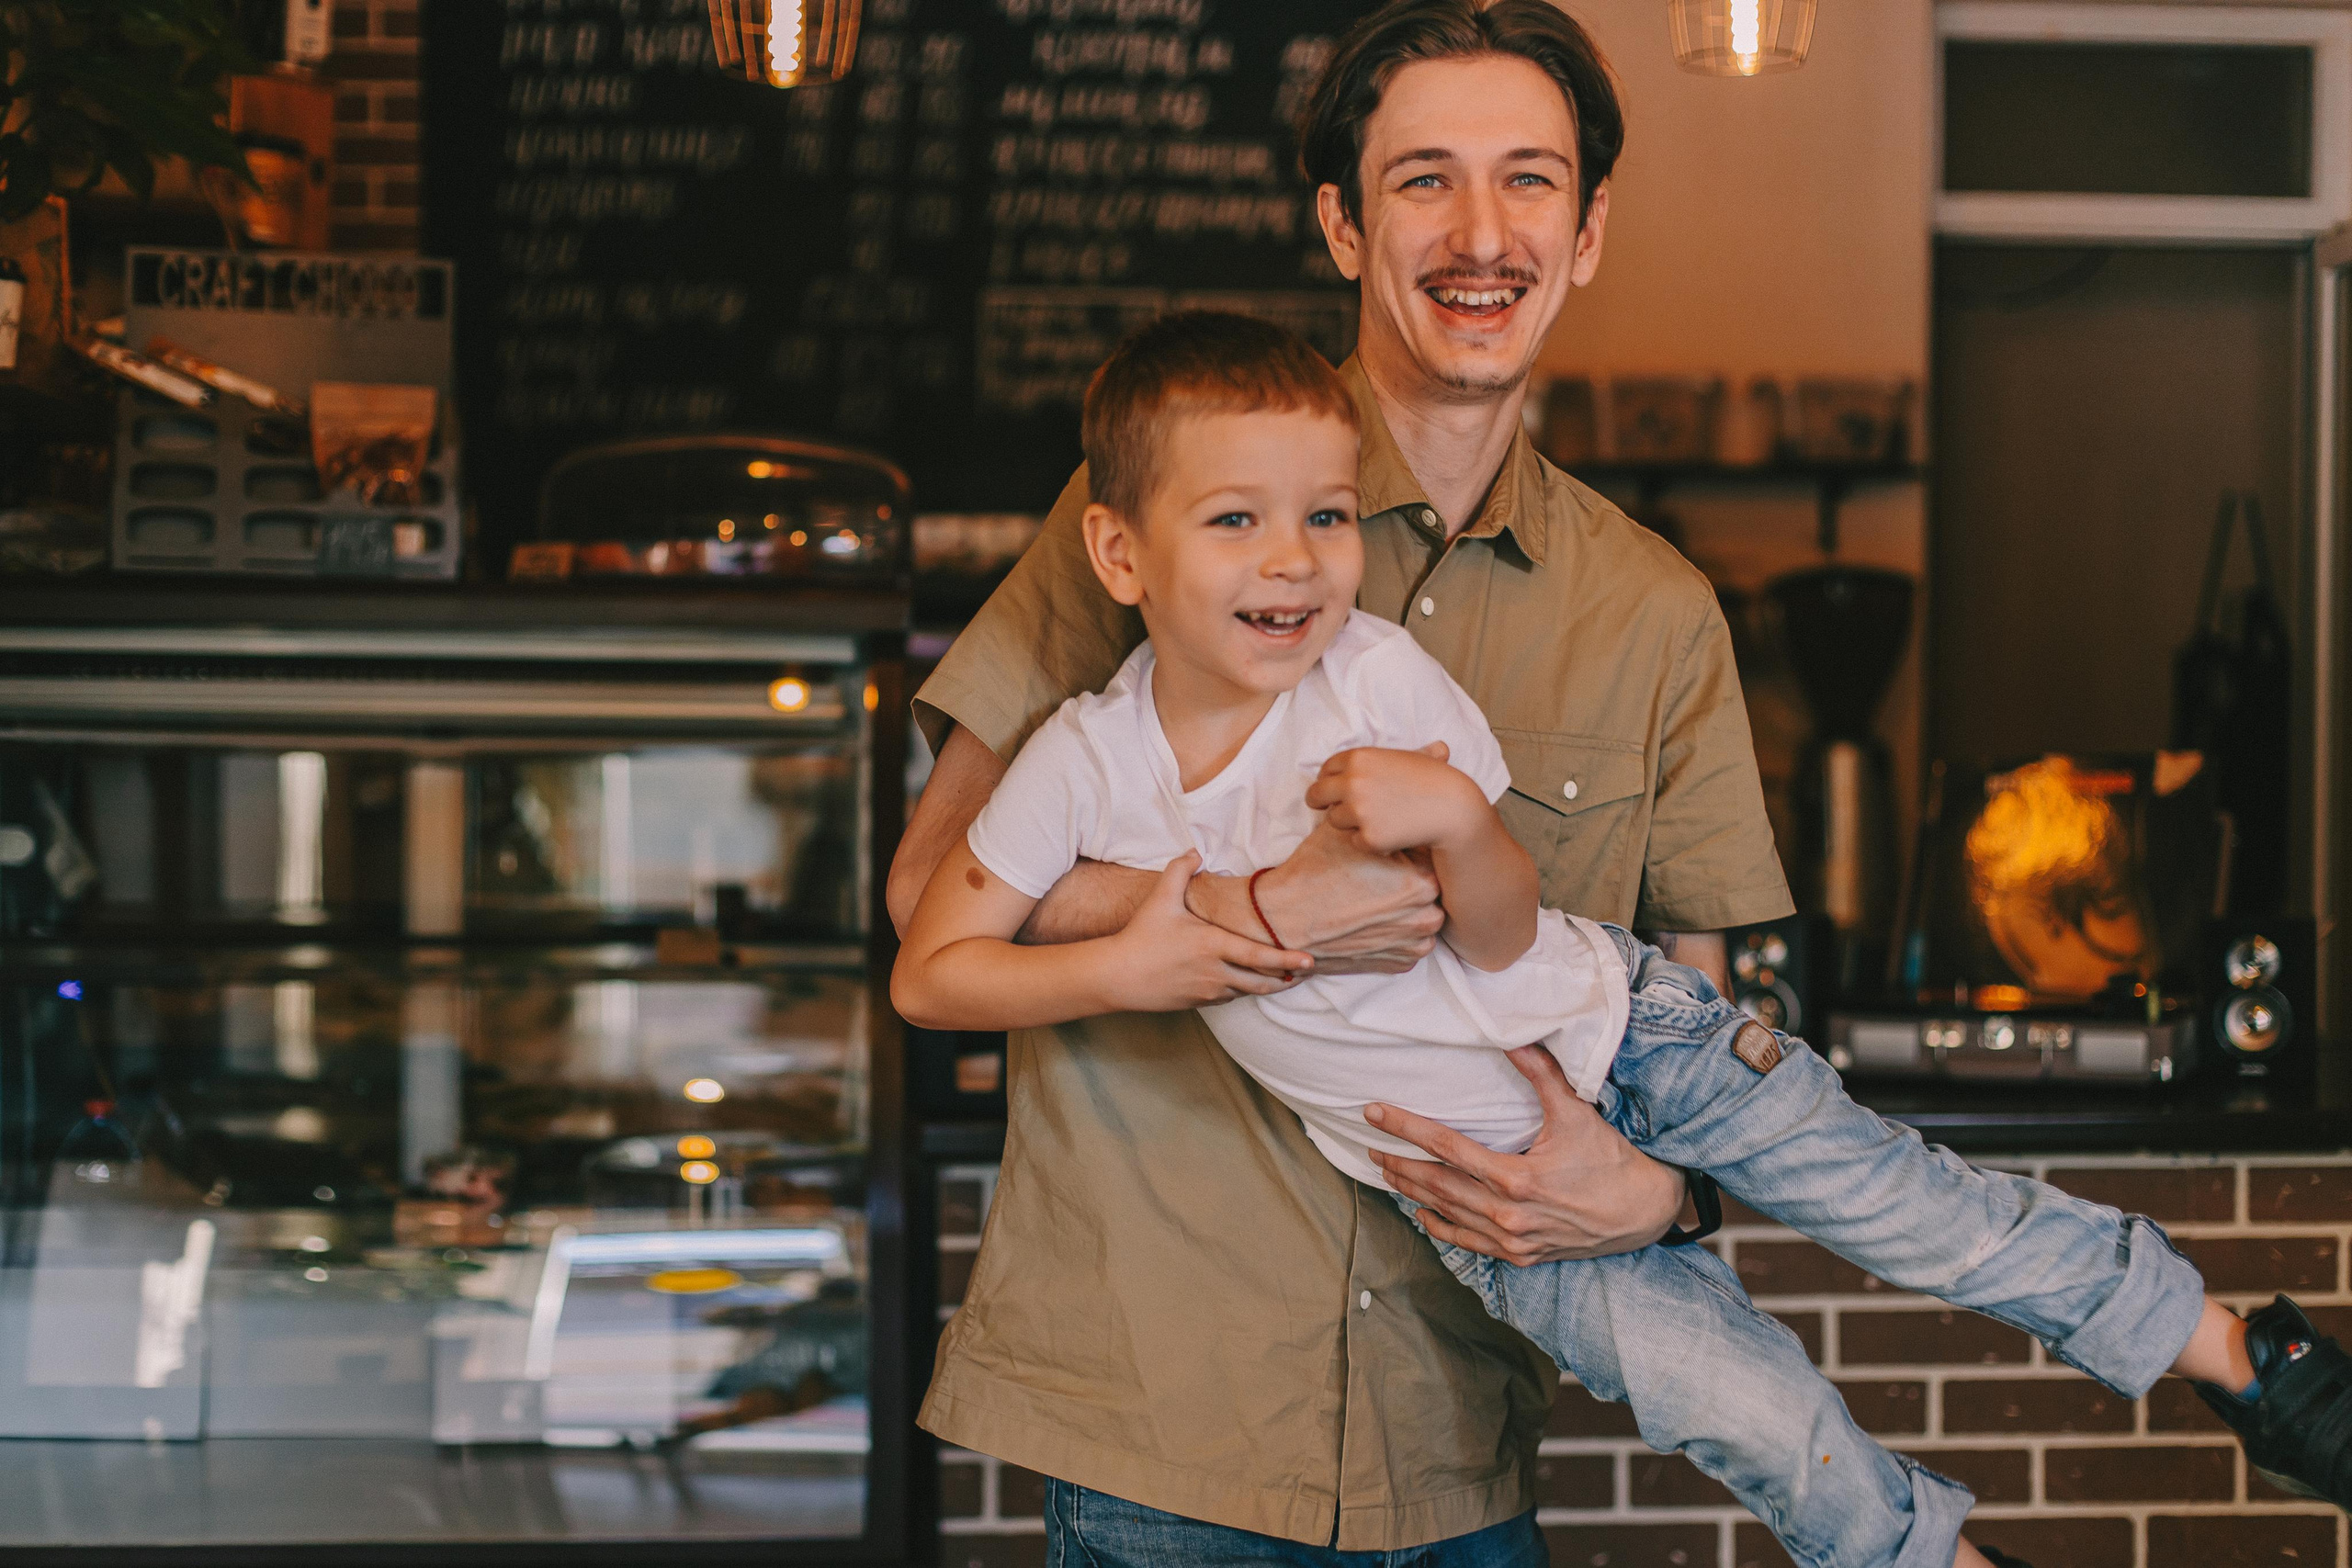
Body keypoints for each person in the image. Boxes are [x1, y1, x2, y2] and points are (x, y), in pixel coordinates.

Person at [892, 310, 2352, 1568]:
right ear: (1119, 551)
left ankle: (2239, 1352)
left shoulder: (1384, 678)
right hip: (1478, 1202)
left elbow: (1508, 915)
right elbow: (933, 959)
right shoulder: (1082, 759)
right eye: (1236, 522)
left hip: (1639, 1044)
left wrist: (1462, 819)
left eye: (1327, 517)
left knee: (1924, 1214)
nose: (1294, 561)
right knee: (1746, 1413)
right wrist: (1157, 951)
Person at [896, 3, 1794, 1559]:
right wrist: (1243, 914)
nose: (1480, 234)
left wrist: (1663, 1202)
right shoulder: (1161, 511)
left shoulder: (1655, 613)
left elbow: (1704, 1026)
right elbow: (930, 891)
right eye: (1422, 179)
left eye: (1529, 181)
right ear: (1341, 222)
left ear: (1585, 234)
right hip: (1162, 1421)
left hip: (1457, 1433)